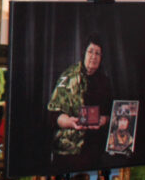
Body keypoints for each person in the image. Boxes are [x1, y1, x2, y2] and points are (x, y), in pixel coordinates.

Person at [47, 34, 112, 163]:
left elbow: (111, 113)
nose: (93, 56)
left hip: (96, 146)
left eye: (97, 53)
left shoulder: (105, 82)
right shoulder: (68, 77)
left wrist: (104, 120)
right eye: (90, 51)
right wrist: (69, 122)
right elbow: (53, 114)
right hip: (69, 147)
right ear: (84, 53)